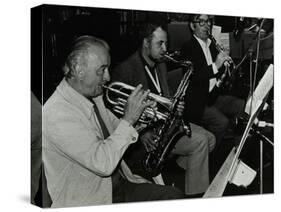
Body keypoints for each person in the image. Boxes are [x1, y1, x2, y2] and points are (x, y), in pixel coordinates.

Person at [42, 35, 184, 208]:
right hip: (89, 200)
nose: (108, 77)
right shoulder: (58, 113)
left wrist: (141, 118)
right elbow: (103, 163)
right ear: (79, 70)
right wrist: (129, 119)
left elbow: (117, 130)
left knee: (175, 196)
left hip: (115, 186)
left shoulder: (92, 96)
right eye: (102, 70)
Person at [112, 21, 216, 196]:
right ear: (146, 43)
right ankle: (196, 197)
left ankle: (176, 167)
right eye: (160, 43)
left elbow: (164, 95)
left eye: (166, 43)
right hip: (147, 135)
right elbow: (114, 114)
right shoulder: (126, 70)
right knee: (200, 143)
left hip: (166, 124)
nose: (165, 48)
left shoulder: (160, 64)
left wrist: (174, 105)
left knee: (211, 138)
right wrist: (142, 134)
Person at [181, 14, 245, 147]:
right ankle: (208, 151)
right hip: (197, 102)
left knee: (241, 105)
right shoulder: (187, 48)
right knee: (222, 122)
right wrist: (216, 65)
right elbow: (194, 76)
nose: (207, 25)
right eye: (201, 22)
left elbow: (218, 73)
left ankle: (236, 149)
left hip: (213, 96)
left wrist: (227, 65)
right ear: (192, 26)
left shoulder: (211, 45)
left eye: (208, 21)